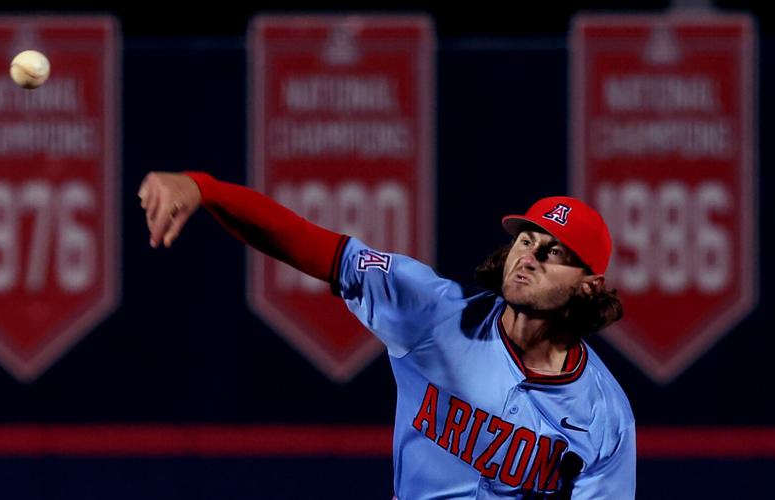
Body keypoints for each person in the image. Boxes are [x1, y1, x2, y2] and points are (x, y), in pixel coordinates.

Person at [138, 171, 636, 498]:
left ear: (590, 286)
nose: (528, 255)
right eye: (525, 240)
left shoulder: (605, 414)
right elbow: (311, 246)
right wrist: (205, 187)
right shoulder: (435, 312)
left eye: (553, 253)